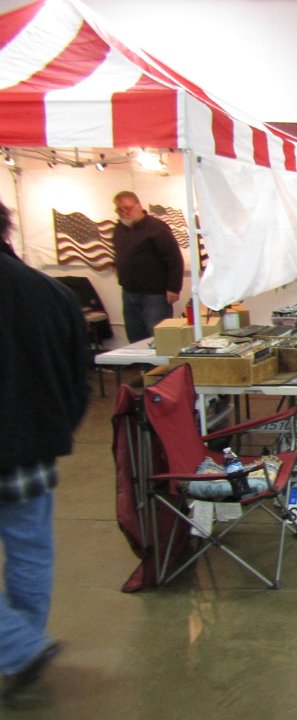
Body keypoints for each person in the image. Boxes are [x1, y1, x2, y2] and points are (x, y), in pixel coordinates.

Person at [0, 200, 91, 703]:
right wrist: (57, 430)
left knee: (31, 553)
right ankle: (23, 655)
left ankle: (19, 647)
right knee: (30, 553)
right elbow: (79, 376)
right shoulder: (52, 292)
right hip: (32, 450)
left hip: (27, 442)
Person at [111, 191, 184, 343]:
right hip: (129, 292)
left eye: (127, 208)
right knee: (135, 336)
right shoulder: (120, 228)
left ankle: (162, 360)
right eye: (119, 210)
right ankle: (141, 360)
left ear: (138, 206)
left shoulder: (156, 228)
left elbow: (174, 258)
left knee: (159, 338)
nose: (124, 213)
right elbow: (119, 253)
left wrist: (174, 288)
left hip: (155, 294)